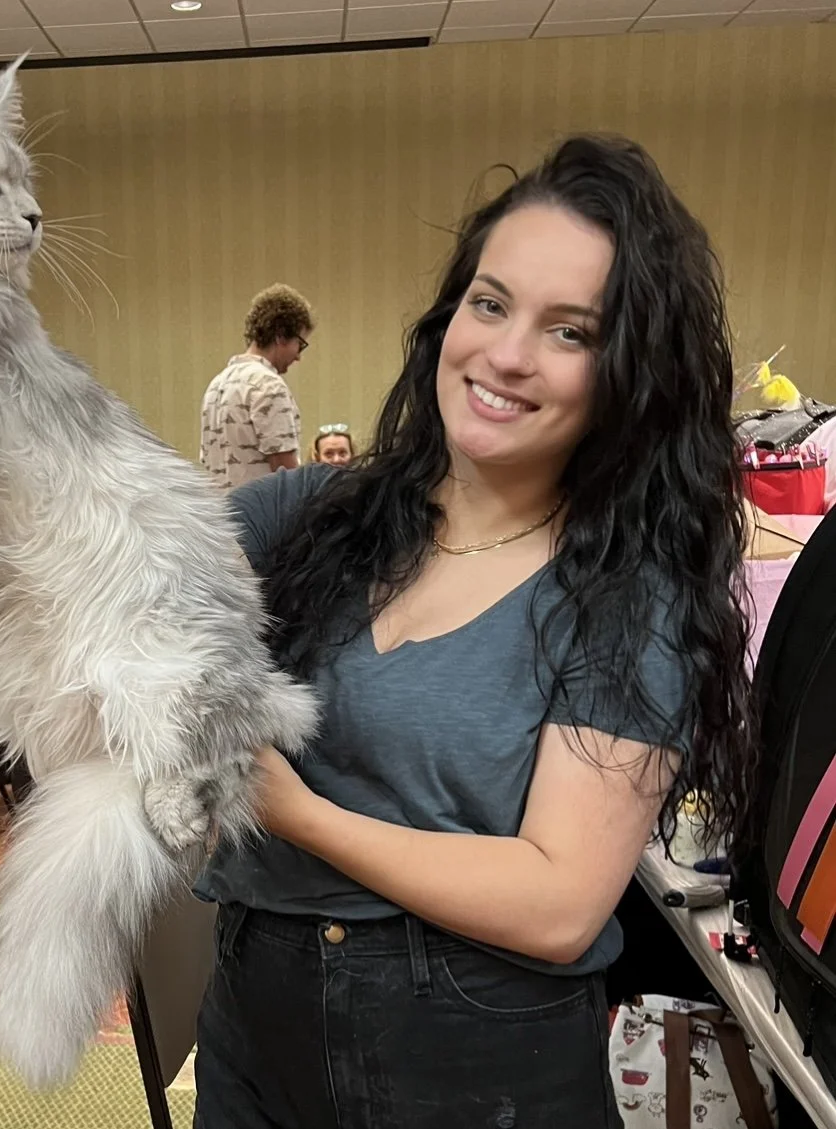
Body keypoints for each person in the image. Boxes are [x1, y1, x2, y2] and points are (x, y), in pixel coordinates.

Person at [191, 135, 755, 1127]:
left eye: (570, 331)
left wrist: (294, 809)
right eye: (489, 303)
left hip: (474, 1074)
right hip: (253, 1038)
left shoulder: (629, 592)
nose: (504, 352)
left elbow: (559, 901)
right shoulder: (326, 512)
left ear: (629, 373)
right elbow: (88, 526)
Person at [199, 284, 312, 490]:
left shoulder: (216, 385)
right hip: (260, 518)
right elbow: (285, 473)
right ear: (280, 335)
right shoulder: (268, 385)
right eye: (300, 343)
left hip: (220, 517)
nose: (298, 356)